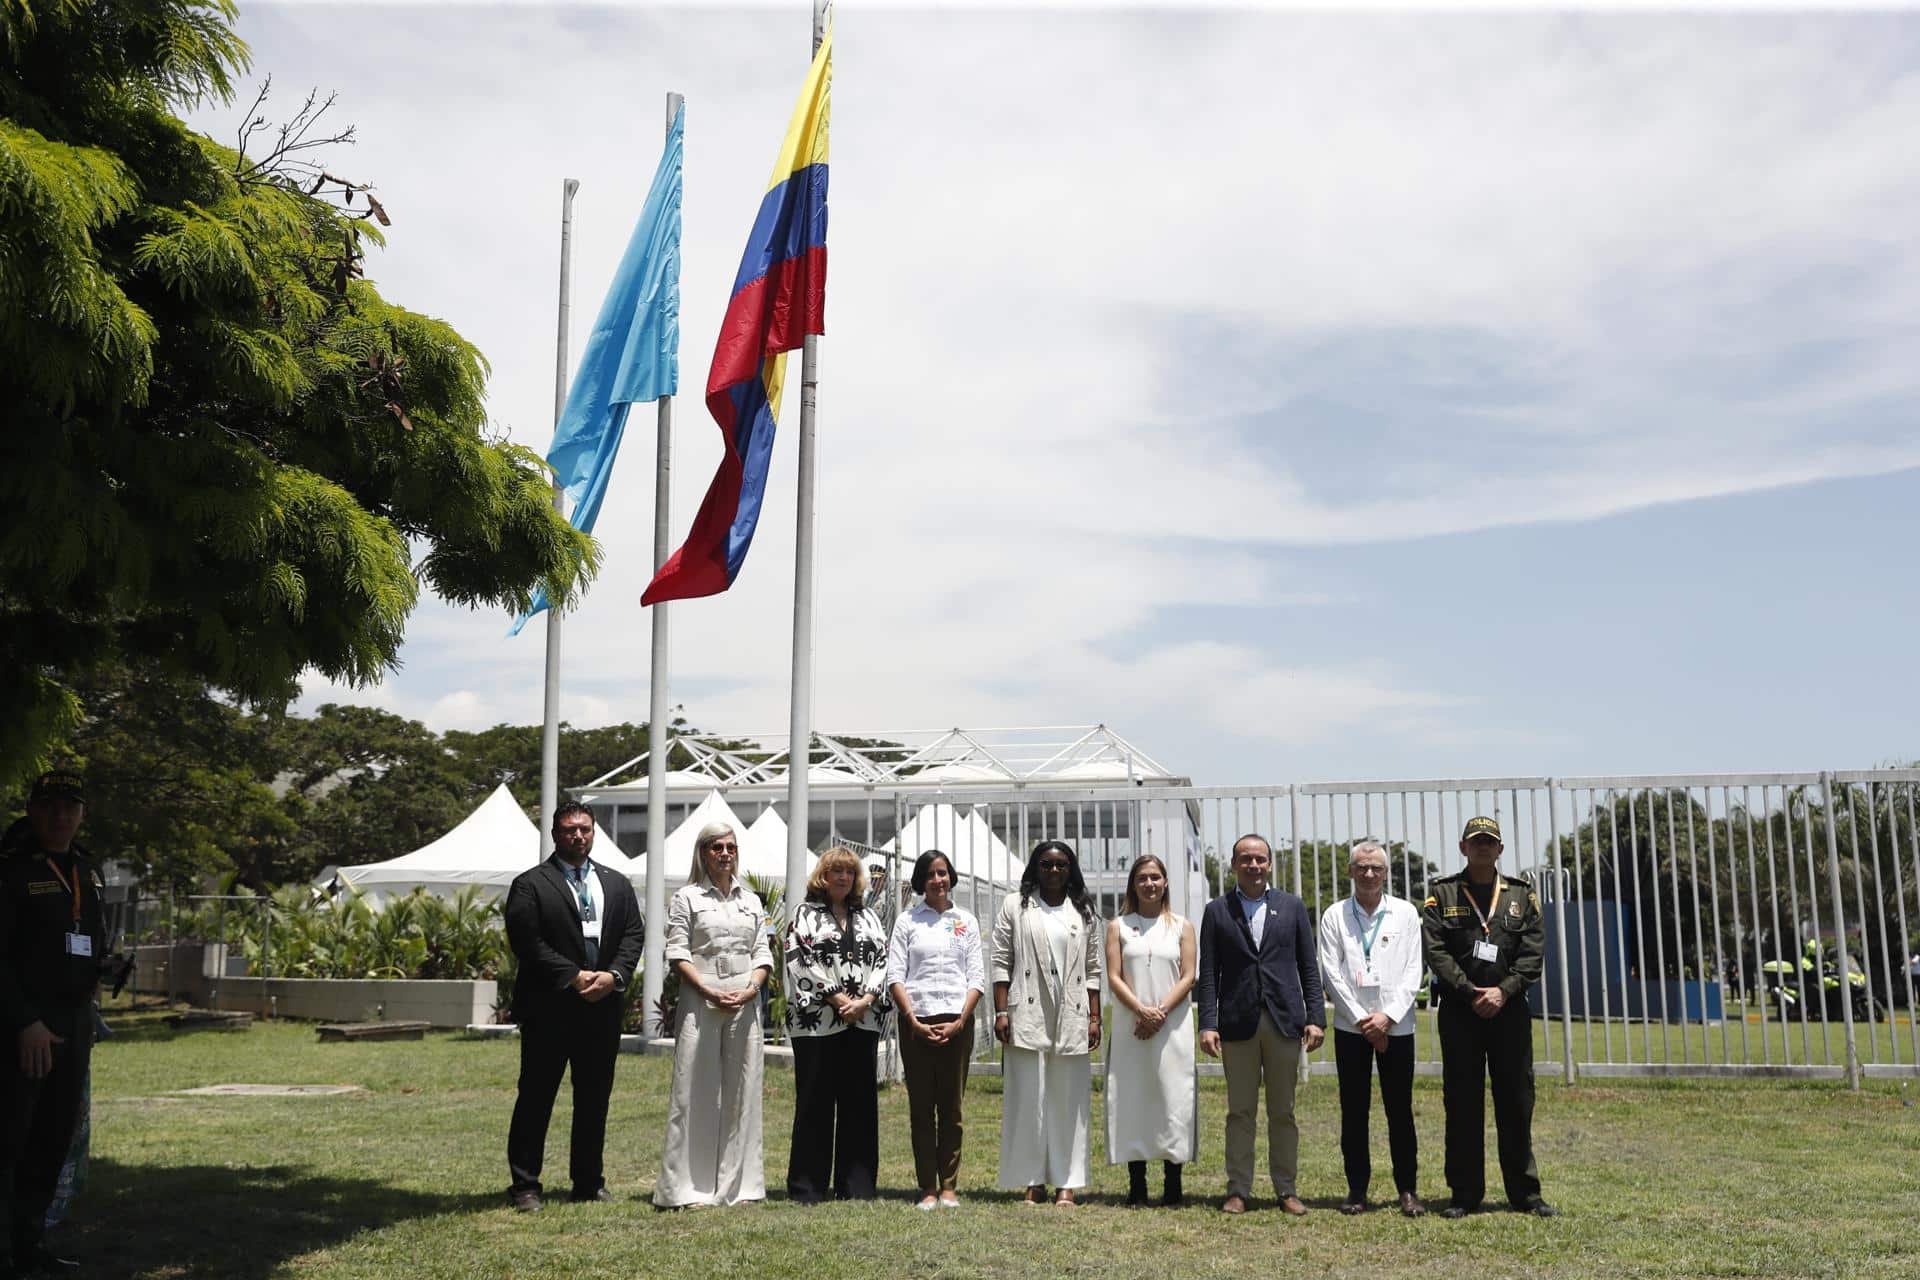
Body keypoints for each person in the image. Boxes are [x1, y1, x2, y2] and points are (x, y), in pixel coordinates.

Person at [502, 801, 646, 1212]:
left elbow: (633, 935)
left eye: (584, 829)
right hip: (549, 1008)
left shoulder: (617, 883)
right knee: (535, 1097)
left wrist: (613, 976)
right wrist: (573, 975)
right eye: (568, 830)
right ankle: (525, 1186)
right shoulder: (530, 884)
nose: (577, 836)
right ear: (554, 834)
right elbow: (526, 941)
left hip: (601, 1009)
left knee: (594, 1099)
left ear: (594, 832)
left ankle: (588, 1182)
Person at [1422, 815, 1556, 1218]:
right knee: (1462, 1104)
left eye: (1490, 841)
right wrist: (1469, 990)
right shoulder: (1442, 895)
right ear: (1463, 847)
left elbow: (1533, 954)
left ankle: (1525, 1194)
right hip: (1460, 1014)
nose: (1483, 847)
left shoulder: (1521, 896)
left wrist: (1503, 991)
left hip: (1510, 1013)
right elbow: (1436, 950)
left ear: (1500, 849)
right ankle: (1464, 1194)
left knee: (1516, 1102)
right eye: (1475, 841)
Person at [1, 770, 107, 1275]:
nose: (60, 817)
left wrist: (105, 966)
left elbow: (87, 936)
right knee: (12, 1139)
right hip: (26, 1030)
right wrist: (24, 1022)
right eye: (49, 806)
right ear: (31, 810)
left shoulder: (89, 871)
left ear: (82, 814)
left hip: (74, 1025)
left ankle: (28, 1245)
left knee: (52, 1140)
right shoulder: (12, 871)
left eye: (70, 807)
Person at [1196, 833, 1324, 1216]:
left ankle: (1286, 1189)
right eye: (1245, 859)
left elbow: (1308, 967)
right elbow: (1208, 974)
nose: (1253, 865)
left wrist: (1316, 1017)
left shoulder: (1292, 906)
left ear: (1270, 864)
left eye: (1260, 859)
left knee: (1283, 1111)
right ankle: (1238, 1189)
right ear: (1233, 864)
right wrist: (1207, 1022)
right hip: (1237, 1024)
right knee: (1240, 1112)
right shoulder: (1217, 910)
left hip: (1285, 1021)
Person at [654, 822, 774, 1208]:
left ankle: (741, 1187)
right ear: (703, 853)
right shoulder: (686, 898)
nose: (725, 853)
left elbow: (763, 953)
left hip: (745, 999)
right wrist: (707, 990)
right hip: (700, 998)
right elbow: (677, 953)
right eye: (717, 847)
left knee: (744, 1090)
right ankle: (689, 1189)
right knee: (695, 1090)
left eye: (731, 847)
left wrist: (751, 989)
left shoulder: (752, 901)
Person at [991, 839, 1102, 1207]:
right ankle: (1032, 1179)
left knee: (1068, 1100)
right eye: (1046, 865)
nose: (1053, 871)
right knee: (1028, 1098)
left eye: (1060, 865)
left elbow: (1092, 970)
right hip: (1027, 1010)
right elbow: (1000, 961)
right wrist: (1001, 1011)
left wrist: (1095, 1017)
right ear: (1035, 868)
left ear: (1070, 869)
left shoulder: (1083, 910)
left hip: (1072, 1013)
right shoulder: (1015, 906)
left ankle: (1066, 1182)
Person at [1317, 839, 1425, 1217]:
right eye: (1361, 867)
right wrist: (1365, 1020)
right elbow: (1331, 972)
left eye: (1375, 868)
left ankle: (1408, 1190)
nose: (1368, 873)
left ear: (1385, 873)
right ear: (1350, 871)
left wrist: (1388, 1017)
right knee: (1354, 1110)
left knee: (1400, 1111)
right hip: (1352, 1028)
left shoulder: (1407, 913)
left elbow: (1415, 971)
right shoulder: (1334, 916)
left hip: (1397, 1026)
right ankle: (1357, 1190)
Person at [783, 846, 889, 1204]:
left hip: (863, 1021)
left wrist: (866, 1000)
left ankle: (857, 1186)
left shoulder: (870, 917)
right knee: (814, 1102)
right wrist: (838, 998)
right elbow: (799, 959)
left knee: (860, 1103)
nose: (842, 877)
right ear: (822, 876)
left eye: (848, 872)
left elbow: (883, 960)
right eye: (835, 871)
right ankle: (807, 1187)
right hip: (816, 1024)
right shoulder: (804, 914)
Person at [886, 850, 985, 1210]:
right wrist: (912, 1018)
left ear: (951, 876)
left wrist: (960, 1019)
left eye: (943, 873)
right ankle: (927, 1187)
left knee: (952, 1108)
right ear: (920, 881)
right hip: (917, 1021)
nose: (938, 880)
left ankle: (949, 1185)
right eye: (930, 874)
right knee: (921, 1107)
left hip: (957, 1020)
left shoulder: (966, 921)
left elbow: (976, 976)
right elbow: (896, 973)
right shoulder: (908, 921)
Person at [1104, 854, 1197, 1207]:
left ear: (1166, 882)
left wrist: (1159, 1013)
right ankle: (1137, 1184)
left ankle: (1173, 1183)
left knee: (1173, 1098)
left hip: (1172, 1026)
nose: (1149, 884)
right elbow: (1114, 976)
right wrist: (1141, 1011)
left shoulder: (1182, 926)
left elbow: (1189, 975)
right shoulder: (1118, 926)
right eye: (1142, 878)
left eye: (1156, 877)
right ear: (1133, 884)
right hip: (1132, 1025)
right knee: (1132, 1099)